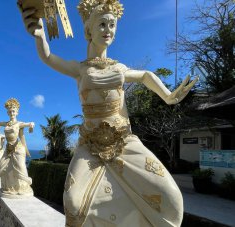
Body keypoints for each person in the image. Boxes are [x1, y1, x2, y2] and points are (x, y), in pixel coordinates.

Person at [19, 0, 198, 226]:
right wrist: (40, 35)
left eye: (112, 25)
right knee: (74, 203)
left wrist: (167, 95)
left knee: (170, 197)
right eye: (102, 24)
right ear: (89, 30)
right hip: (89, 145)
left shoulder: (119, 68)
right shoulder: (80, 69)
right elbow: (48, 57)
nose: (108, 30)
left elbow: (145, 75)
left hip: (124, 142)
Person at [0, 98, 35, 198]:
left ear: (17, 112)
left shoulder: (19, 124)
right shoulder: (6, 124)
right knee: (1, 167)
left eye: (13, 111)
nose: (12, 113)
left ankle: (23, 187)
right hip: (8, 149)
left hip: (18, 149)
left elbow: (29, 124)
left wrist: (31, 125)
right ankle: (10, 187)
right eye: (10, 111)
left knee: (20, 169)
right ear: (7, 112)